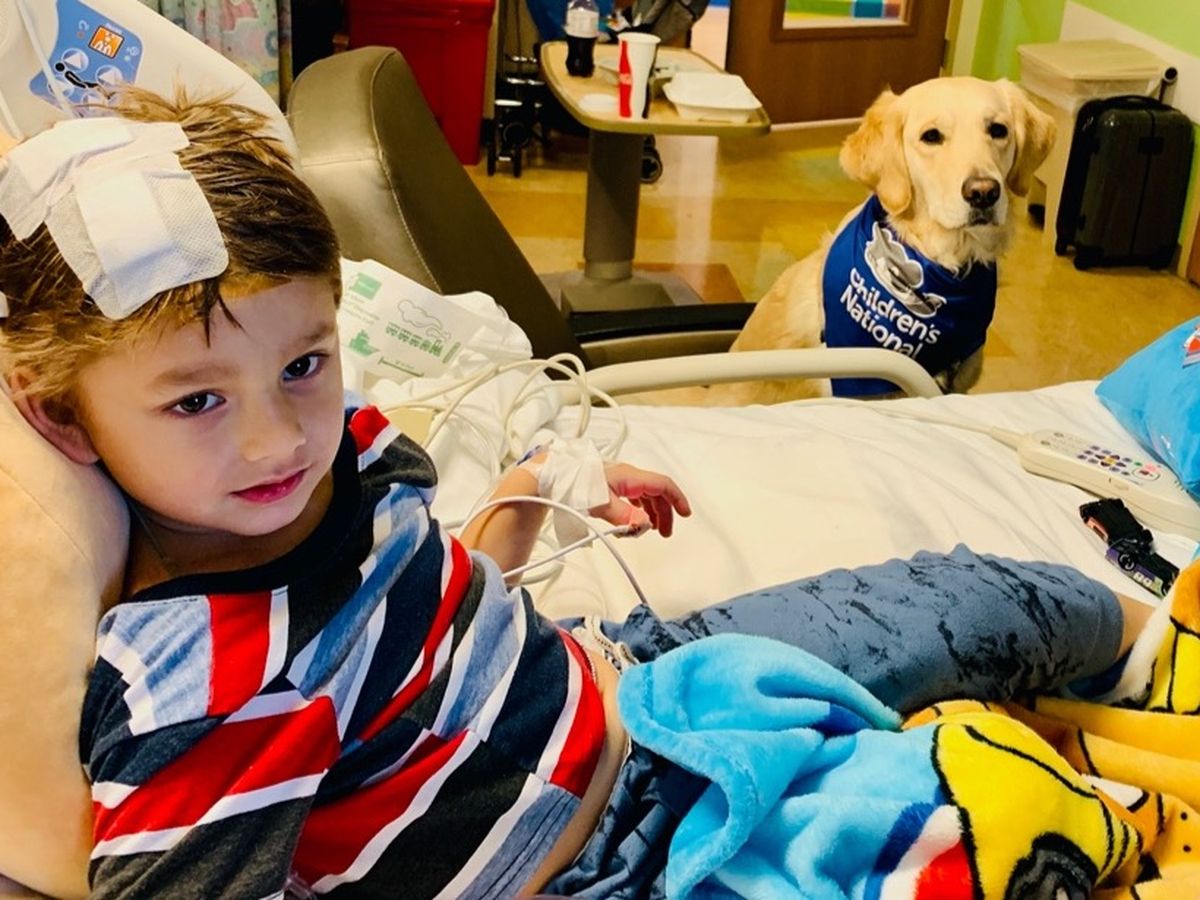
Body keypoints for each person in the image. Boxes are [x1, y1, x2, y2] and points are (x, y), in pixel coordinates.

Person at [0, 91, 1153, 899]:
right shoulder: (200, 688)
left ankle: (1155, 644)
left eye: (303, 362)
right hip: (611, 857)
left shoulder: (343, 450)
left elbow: (448, 588)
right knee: (981, 828)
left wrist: (547, 481)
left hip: (637, 673)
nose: (275, 437)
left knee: (965, 593)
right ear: (60, 416)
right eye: (197, 401)